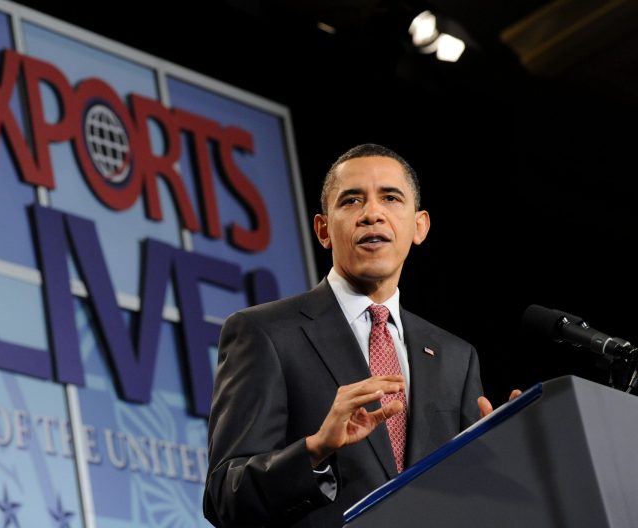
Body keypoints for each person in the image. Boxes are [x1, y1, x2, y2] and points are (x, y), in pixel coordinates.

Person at [203, 144, 507, 528]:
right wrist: (315, 450)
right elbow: (224, 495)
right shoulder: (265, 333)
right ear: (323, 229)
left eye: (391, 198)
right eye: (351, 201)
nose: (372, 214)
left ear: (419, 226)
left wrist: (506, 458)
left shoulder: (454, 357)